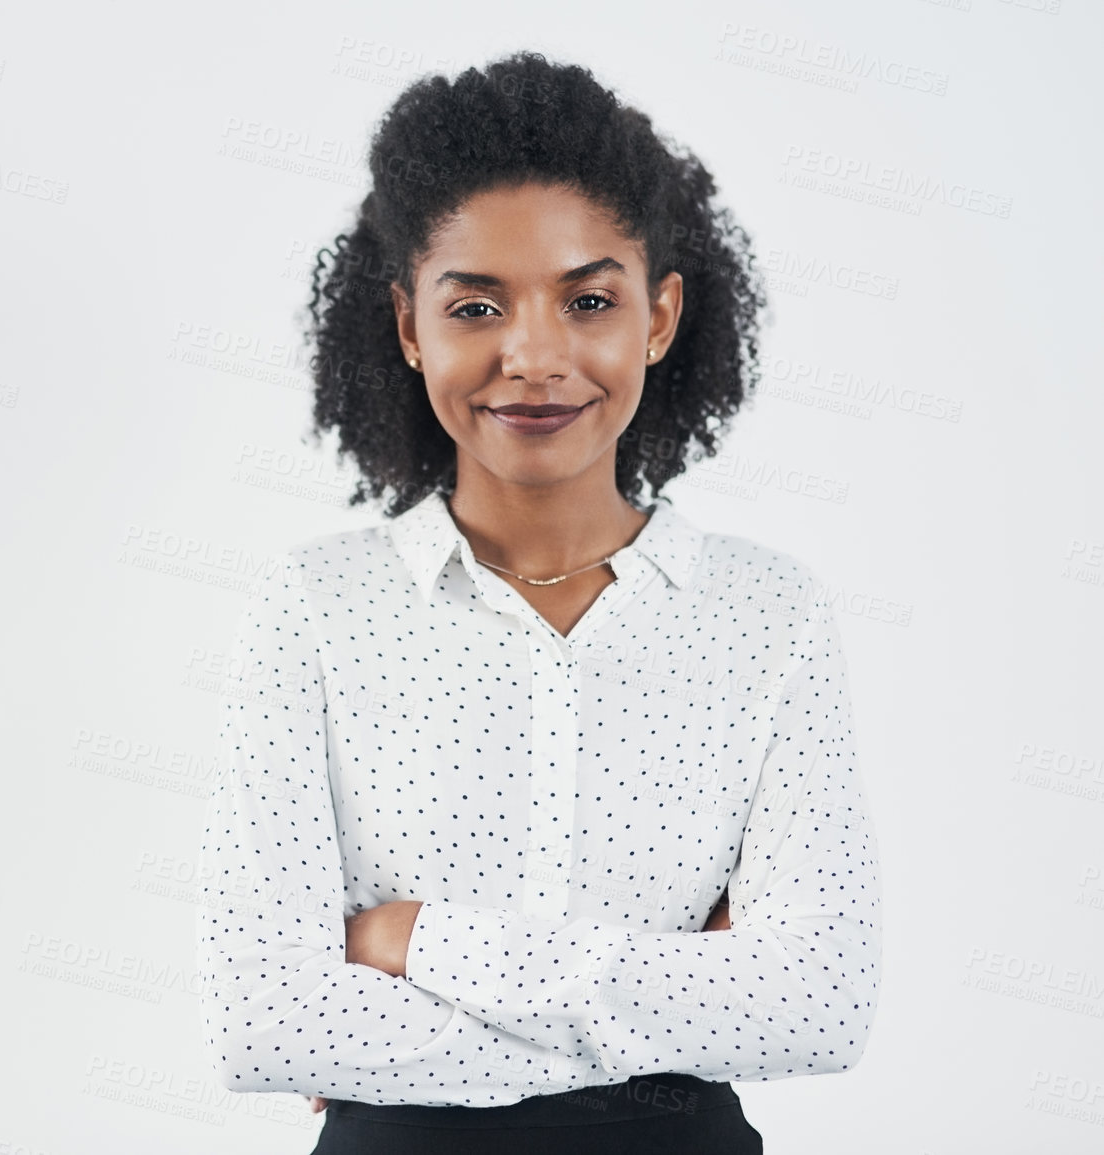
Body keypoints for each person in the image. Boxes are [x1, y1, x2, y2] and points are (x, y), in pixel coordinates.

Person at [192, 50, 882, 1154]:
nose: (535, 355)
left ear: (658, 318)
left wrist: (410, 940)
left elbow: (817, 1005)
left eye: (589, 299)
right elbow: (264, 1022)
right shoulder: (315, 608)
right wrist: (680, 1007)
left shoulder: (766, 615)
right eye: (475, 305)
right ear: (411, 328)